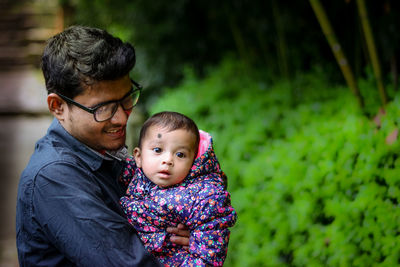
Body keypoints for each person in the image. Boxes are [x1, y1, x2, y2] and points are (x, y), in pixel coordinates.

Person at [15, 25, 189, 266]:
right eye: (103, 108)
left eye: (127, 97)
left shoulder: (104, 152)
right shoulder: (53, 177)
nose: (122, 117)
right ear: (57, 106)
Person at [120, 111, 237, 266]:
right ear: (139, 157)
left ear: (193, 161)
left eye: (180, 154)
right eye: (158, 150)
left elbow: (209, 254)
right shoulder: (132, 173)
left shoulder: (203, 197)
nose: (168, 160)